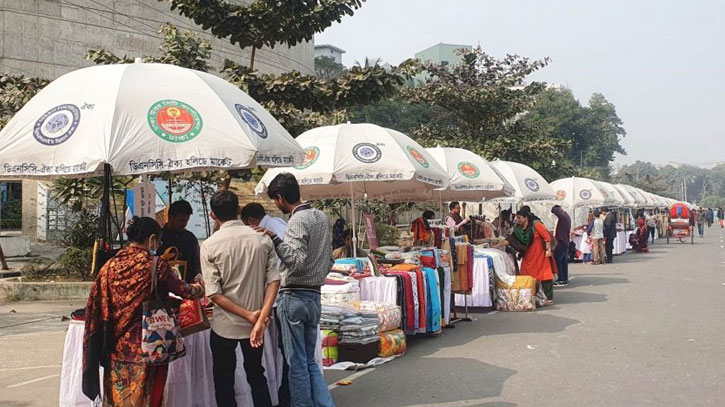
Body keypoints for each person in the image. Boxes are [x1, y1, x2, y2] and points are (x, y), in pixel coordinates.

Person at [83, 217, 203, 407]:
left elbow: (96, 308)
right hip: (148, 345)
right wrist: (199, 288)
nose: (160, 245)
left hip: (115, 346)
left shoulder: (109, 267)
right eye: (160, 241)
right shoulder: (155, 265)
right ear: (153, 239)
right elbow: (184, 290)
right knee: (147, 396)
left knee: (118, 397)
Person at [255, 173, 335, 407]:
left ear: (280, 197)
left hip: (294, 295)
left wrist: (274, 239)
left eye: (275, 201)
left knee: (297, 363)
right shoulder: (320, 216)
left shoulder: (297, 220)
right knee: (308, 361)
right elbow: (329, 260)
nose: (277, 206)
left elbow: (296, 259)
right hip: (314, 295)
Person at [201, 191, 281, 407]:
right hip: (255, 325)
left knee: (224, 380)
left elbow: (214, 293)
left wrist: (251, 316)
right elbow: (274, 281)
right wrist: (259, 317)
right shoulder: (262, 238)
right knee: (256, 374)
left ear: (212, 215)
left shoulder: (209, 244)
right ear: (238, 210)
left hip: (224, 324)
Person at [495, 207, 555, 305]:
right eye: (517, 218)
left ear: (525, 218)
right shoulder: (518, 229)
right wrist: (497, 245)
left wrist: (548, 250)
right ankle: (531, 296)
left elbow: (547, 237)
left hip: (540, 255)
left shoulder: (536, 224)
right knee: (526, 274)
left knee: (544, 275)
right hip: (528, 255)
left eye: (519, 218)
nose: (517, 220)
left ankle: (549, 298)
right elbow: (511, 240)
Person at [157, 200, 201, 283]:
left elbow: (197, 264)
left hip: (188, 288)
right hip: (162, 288)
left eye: (186, 220)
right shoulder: (159, 237)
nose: (184, 224)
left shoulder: (190, 238)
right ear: (170, 217)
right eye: (181, 220)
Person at [551, 205, 571, 286]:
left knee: (558, 260)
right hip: (565, 240)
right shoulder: (567, 216)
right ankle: (564, 278)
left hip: (561, 240)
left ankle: (561, 278)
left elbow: (555, 210)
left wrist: (554, 208)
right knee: (563, 261)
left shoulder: (563, 217)